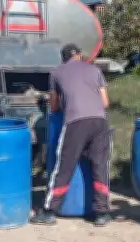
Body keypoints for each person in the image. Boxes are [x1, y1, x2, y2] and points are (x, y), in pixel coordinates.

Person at [31, 43, 112, 227]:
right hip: (100, 121)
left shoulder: (56, 73)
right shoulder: (94, 70)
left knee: (64, 166)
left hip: (76, 121)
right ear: (80, 55)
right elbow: (105, 102)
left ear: (63, 58)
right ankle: (102, 213)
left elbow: (53, 106)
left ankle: (50, 211)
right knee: (100, 166)